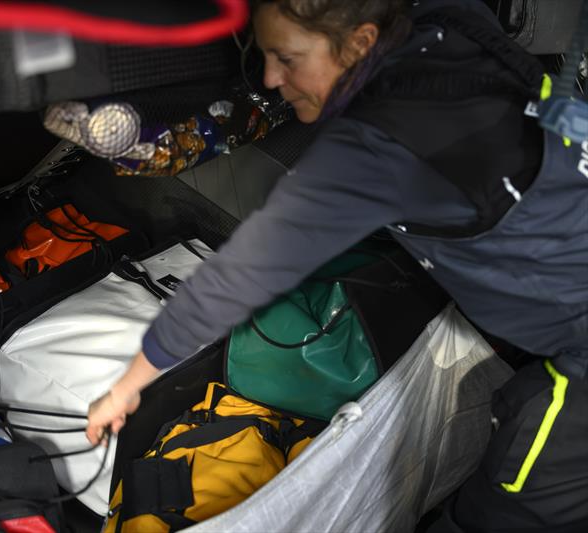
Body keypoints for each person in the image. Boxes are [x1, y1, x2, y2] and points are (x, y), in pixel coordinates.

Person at [82, 0, 588, 531]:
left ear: (362, 42)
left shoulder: (375, 148)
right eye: (264, 56)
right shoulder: (452, 19)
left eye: (288, 58)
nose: (273, 78)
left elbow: (238, 276)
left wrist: (125, 388)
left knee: (503, 510)